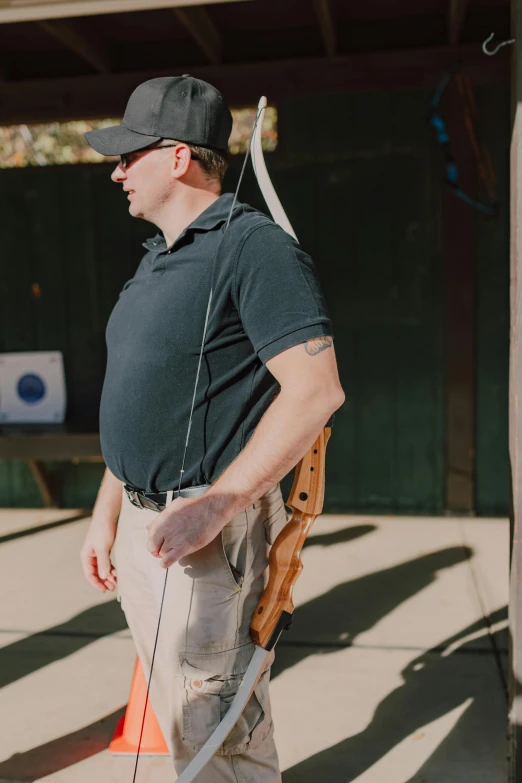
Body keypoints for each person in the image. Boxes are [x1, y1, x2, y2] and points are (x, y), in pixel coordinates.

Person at [80, 74, 344, 782]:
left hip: (204, 530)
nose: (116, 171)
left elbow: (317, 390)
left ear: (177, 157)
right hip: (147, 530)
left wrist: (219, 503)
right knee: (181, 722)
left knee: (218, 730)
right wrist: (107, 513)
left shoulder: (255, 249)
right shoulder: (157, 261)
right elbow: (150, 399)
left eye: (128, 155)